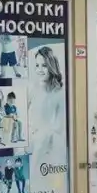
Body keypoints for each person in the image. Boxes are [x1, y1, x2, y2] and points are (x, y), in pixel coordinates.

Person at [28, 46, 66, 174]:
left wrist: (44, 134)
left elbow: (60, 125)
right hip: (32, 137)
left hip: (48, 140)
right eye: (37, 65)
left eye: (44, 65)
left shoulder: (59, 92)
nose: (39, 70)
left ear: (51, 66)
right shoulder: (32, 89)